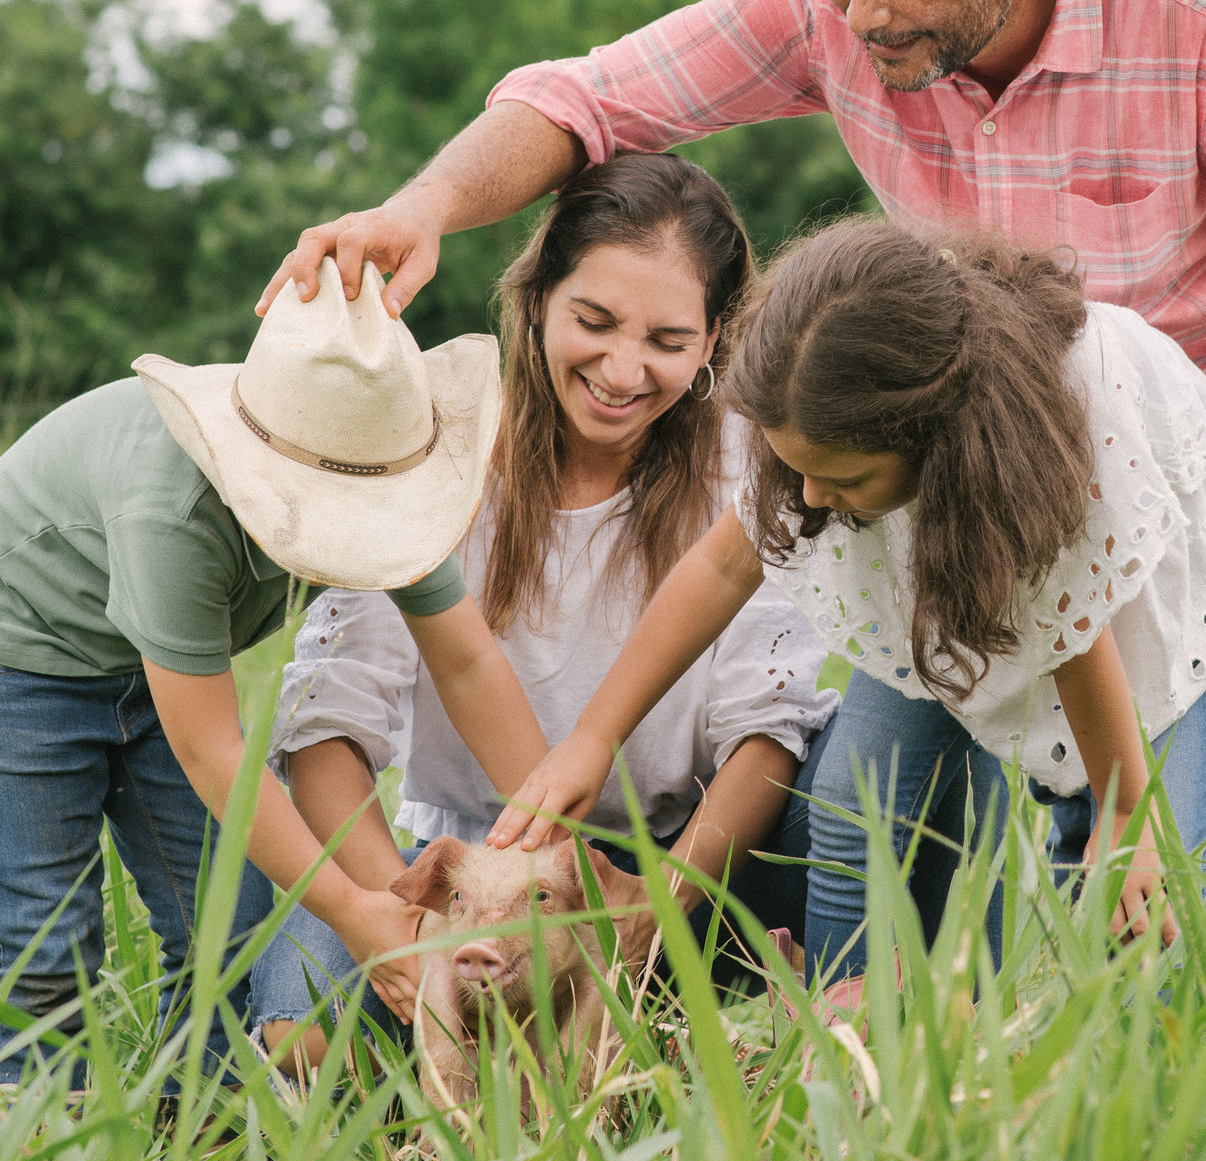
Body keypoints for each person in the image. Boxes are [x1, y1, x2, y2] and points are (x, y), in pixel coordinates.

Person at [264, 0, 1206, 896]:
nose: (861, 13)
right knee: (889, 791)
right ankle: (922, 1038)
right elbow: (590, 95)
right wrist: (422, 208)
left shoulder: (1202, 4)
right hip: (969, 430)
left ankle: (1179, 1047)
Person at [490, 223, 1206, 987]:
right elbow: (724, 564)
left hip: (1131, 560)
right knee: (853, 798)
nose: (809, 500)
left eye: (844, 481)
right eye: (795, 471)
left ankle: (1165, 1057)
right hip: (964, 563)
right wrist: (595, 734)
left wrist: (1125, 808)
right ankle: (854, 1044)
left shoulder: (1012, 470)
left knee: (1137, 893)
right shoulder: (816, 422)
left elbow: (1071, 635)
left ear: (932, 441)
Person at [249, 155, 837, 1065]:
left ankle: (830, 1012)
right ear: (536, 302)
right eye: (593, 321)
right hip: (462, 875)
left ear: (716, 338)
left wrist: (662, 905)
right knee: (300, 1044)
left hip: (678, 865)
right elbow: (329, 728)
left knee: (847, 778)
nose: (622, 368)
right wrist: (405, 917)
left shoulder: (751, 464)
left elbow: (768, 726)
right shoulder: (429, 448)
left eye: (668, 340)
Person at [0, 259, 545, 1086]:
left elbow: (467, 660)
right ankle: (43, 1126)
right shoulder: (175, 511)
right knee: (44, 941)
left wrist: (554, 839)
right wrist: (355, 911)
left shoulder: (385, 480)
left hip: (161, 664)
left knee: (229, 923)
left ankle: (203, 1120)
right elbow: (215, 748)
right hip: (19, 655)